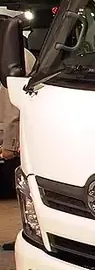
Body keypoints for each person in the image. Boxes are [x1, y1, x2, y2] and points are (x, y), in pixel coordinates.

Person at [0, 45, 35, 250]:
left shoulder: (14, 57)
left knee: (23, 192)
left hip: (21, 137)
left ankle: (25, 237)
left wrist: (9, 145)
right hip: (15, 135)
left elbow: (13, 105)